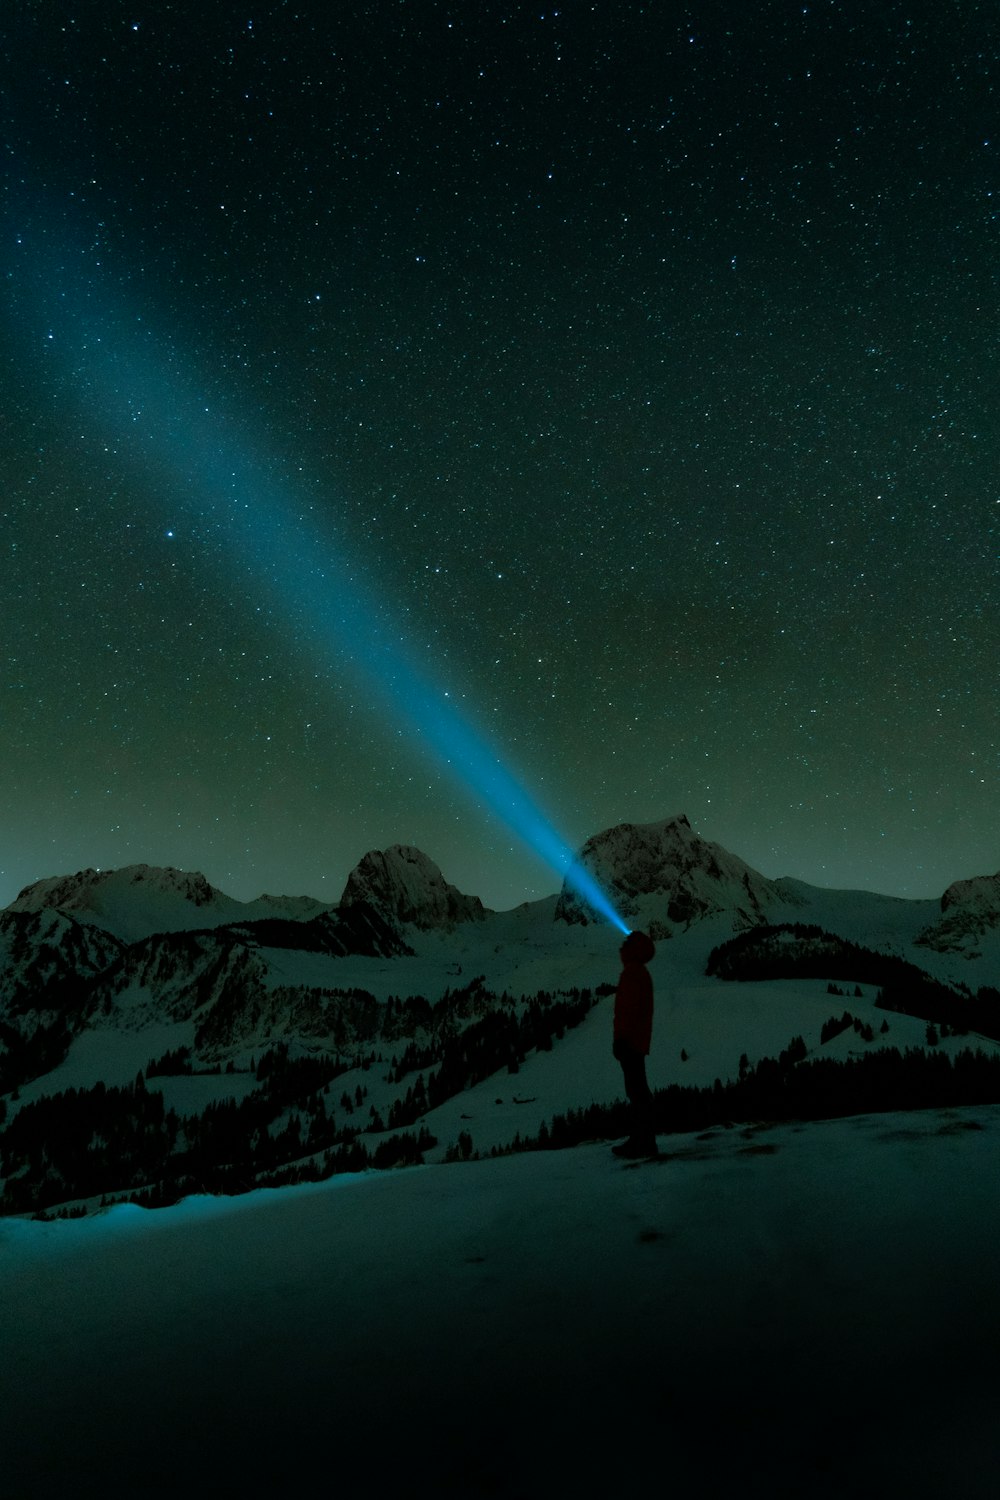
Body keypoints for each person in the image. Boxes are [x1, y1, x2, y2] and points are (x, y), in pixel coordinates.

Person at [611, 929, 657, 1158]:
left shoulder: (632, 972)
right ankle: (643, 1139)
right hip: (636, 1041)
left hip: (630, 1042)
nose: (622, 946)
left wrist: (620, 1039)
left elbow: (628, 1011)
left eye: (627, 943)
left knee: (636, 1091)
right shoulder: (639, 972)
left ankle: (642, 1142)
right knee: (638, 1090)